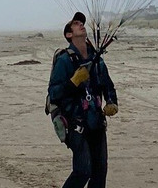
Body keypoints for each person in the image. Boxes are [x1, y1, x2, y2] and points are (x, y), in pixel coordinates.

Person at [48, 11, 118, 188]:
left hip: (95, 120)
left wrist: (111, 103)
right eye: (76, 23)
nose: (81, 24)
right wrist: (73, 82)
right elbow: (54, 93)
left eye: (82, 23)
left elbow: (108, 86)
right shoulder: (64, 60)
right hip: (74, 121)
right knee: (83, 170)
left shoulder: (97, 60)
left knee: (99, 171)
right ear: (68, 34)